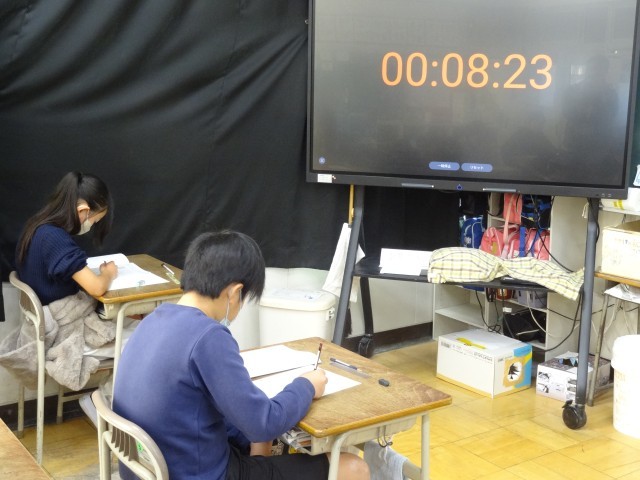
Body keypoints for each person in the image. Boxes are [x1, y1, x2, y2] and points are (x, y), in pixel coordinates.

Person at [113, 230, 370, 480]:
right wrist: (307, 385)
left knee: (257, 436)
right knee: (353, 468)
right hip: (200, 472)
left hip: (150, 469)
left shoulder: (154, 319)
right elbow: (263, 424)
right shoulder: (208, 336)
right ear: (235, 292)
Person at [15, 171, 117, 305]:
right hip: (59, 313)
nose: (93, 225)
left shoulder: (36, 225)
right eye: (95, 221)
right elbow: (96, 288)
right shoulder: (54, 238)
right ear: (82, 211)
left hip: (42, 308)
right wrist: (108, 273)